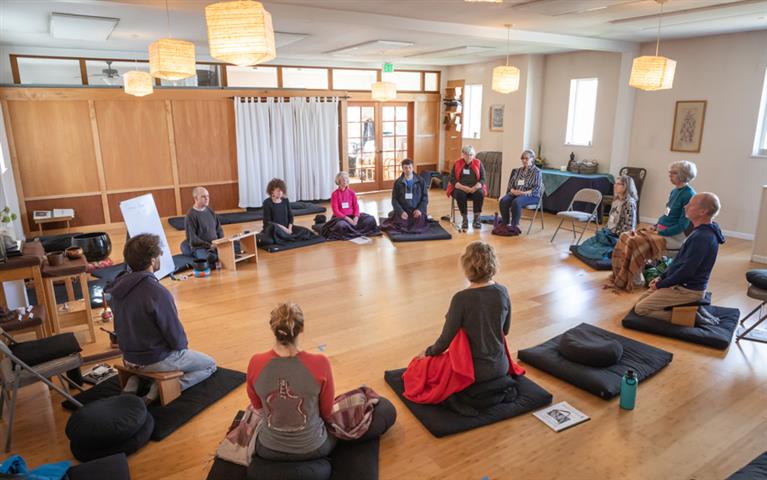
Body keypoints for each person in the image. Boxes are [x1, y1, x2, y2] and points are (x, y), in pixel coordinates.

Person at [247, 303, 396, 461]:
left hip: (267, 447)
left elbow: (257, 406)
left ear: (273, 329)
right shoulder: (320, 363)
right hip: (313, 448)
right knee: (380, 407)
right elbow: (326, 412)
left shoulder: (256, 362)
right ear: (302, 328)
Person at [405, 241, 525, 416]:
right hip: (501, 366)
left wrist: (428, 352)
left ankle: (459, 398)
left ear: (467, 267)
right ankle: (497, 392)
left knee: (422, 369)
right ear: (493, 265)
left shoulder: (461, 299)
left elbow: (445, 340)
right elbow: (504, 330)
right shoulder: (502, 291)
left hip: (472, 371)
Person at [107, 234, 217, 403]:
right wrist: (181, 351)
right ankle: (161, 388)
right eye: (158, 255)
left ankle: (137, 379)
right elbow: (175, 337)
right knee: (210, 364)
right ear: (152, 260)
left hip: (128, 357)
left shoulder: (118, 288)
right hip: (154, 359)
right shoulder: (157, 293)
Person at [633, 193, 724, 325]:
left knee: (641, 309)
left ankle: (691, 317)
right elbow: (679, 262)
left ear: (703, 212)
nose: (686, 207)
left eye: (691, 205)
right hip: (680, 285)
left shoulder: (702, 237)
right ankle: (690, 308)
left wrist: (661, 285)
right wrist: (662, 277)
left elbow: (687, 271)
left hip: (688, 290)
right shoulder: (700, 231)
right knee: (641, 300)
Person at [610, 161, 698, 291]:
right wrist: (656, 226)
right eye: (670, 172)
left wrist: (661, 232)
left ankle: (635, 278)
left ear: (683, 175)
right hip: (662, 231)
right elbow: (666, 215)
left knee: (635, 241)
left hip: (675, 237)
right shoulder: (675, 191)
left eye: (673, 173)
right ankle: (623, 273)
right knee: (625, 236)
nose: (669, 175)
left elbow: (683, 225)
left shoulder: (689, 195)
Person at [577, 175, 638, 260]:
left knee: (597, 251)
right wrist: (607, 230)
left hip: (617, 236)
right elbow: (611, 220)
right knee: (585, 245)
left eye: (619, 184)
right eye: (615, 183)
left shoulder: (629, 203)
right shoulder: (616, 200)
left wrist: (616, 234)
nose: (615, 186)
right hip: (609, 232)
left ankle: (612, 252)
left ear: (626, 186)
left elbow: (629, 226)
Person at [319, 171, 380, 240]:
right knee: (341, 226)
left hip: (352, 216)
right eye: (343, 179)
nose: (345, 181)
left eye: (346, 179)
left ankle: (355, 231)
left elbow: (356, 206)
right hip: (341, 218)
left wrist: (356, 217)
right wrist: (347, 219)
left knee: (370, 219)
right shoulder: (334, 194)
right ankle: (355, 231)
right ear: (338, 181)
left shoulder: (352, 193)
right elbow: (336, 211)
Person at [259, 178, 317, 246]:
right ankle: (288, 237)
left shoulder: (285, 200)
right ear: (272, 191)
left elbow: (290, 216)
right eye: (278, 191)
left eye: (281, 191)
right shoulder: (267, 203)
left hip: (287, 228)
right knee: (270, 237)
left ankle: (287, 237)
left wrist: (289, 228)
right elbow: (268, 222)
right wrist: (285, 229)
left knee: (305, 231)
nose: (280, 193)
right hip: (274, 229)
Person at [497, 149, 543, 234]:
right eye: (522, 158)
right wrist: (513, 190)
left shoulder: (537, 172)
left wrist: (524, 193)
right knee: (503, 201)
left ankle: (514, 225)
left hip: (531, 195)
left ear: (532, 159)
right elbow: (510, 185)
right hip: (516, 193)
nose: (524, 160)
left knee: (516, 202)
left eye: (526, 158)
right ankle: (505, 223)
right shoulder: (518, 171)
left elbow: (537, 188)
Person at [381, 158, 429, 234]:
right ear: (402, 169)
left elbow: (425, 198)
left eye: (410, 167)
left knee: (418, 223)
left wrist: (420, 210)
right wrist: (401, 212)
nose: (408, 170)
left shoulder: (421, 181)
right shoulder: (398, 182)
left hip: (416, 210)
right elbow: (394, 200)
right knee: (401, 224)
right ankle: (396, 214)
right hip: (404, 211)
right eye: (405, 168)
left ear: (413, 168)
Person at [447, 145, 486, 230]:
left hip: (474, 189)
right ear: (463, 154)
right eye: (467, 154)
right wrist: (463, 187)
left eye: (471, 154)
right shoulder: (457, 163)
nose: (469, 157)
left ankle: (476, 219)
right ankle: (464, 219)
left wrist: (475, 188)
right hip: (460, 188)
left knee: (480, 193)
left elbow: (483, 179)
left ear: (474, 155)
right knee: (460, 194)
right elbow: (452, 178)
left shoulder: (478, 163)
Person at [182, 186, 223, 263]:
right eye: (203, 197)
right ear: (196, 199)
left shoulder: (210, 210)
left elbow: (219, 229)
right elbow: (193, 239)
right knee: (209, 259)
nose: (207, 198)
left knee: (234, 248)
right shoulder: (191, 215)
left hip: (215, 244)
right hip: (201, 247)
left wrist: (220, 242)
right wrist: (210, 245)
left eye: (207, 196)